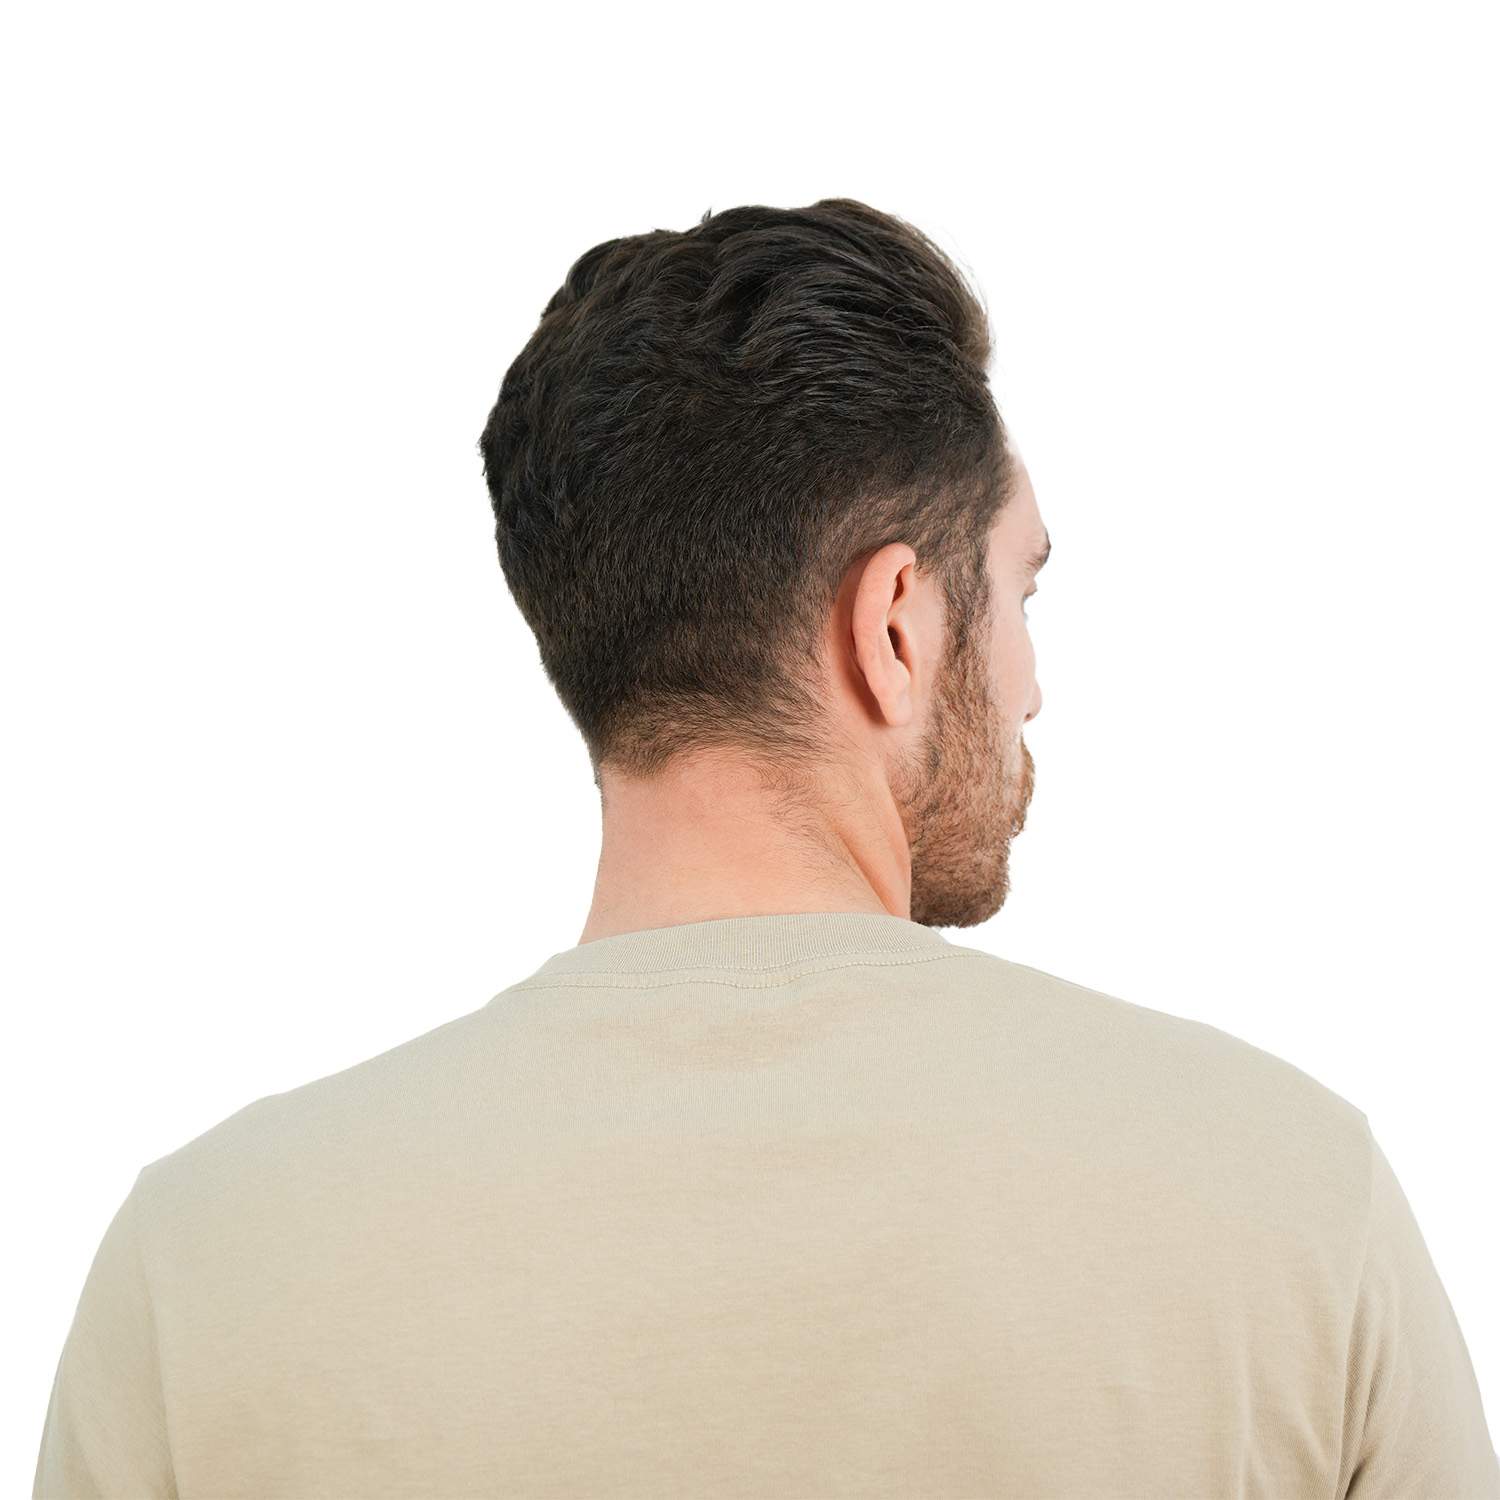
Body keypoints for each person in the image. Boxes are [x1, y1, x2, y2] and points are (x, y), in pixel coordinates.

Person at [34, 198, 1498, 1498]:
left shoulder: (206, 1259)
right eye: (1021, 594)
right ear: (897, 627)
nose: (1035, 685)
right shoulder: (1287, 1192)